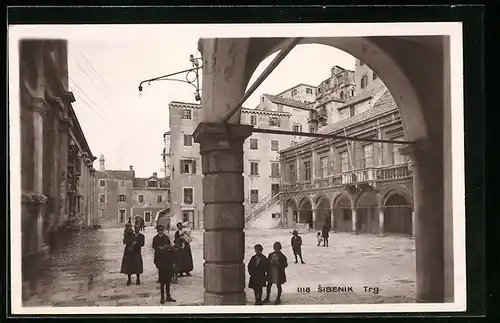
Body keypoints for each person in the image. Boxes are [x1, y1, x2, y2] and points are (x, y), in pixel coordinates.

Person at [152, 225, 176, 303]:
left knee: (168, 280)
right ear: (157, 231)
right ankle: (162, 297)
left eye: (162, 230)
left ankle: (168, 296)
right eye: (159, 230)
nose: (161, 231)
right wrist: (159, 248)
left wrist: (172, 262)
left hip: (167, 261)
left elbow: (170, 247)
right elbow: (154, 247)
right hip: (160, 261)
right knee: (162, 281)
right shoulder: (155, 238)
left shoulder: (166, 237)